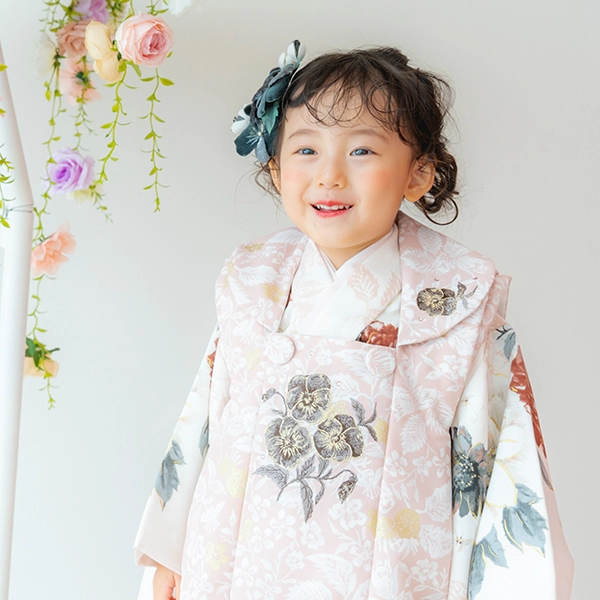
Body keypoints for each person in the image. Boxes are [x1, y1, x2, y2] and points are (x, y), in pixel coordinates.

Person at [134, 41, 574, 600]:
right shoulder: (253, 283)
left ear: (418, 173)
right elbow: (205, 419)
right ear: (275, 167)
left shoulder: (456, 301)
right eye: (306, 149)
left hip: (394, 566)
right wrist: (171, 554)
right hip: (238, 558)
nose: (330, 175)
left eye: (362, 150)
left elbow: (500, 453)